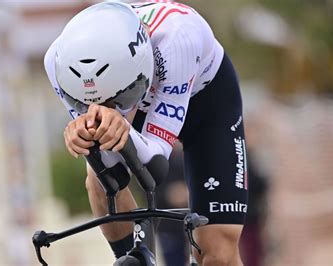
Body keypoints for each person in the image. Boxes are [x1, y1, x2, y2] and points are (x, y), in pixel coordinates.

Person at [44, 1, 248, 265]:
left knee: (217, 250)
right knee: (99, 178)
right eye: (89, 102)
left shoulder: (177, 37)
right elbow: (113, 173)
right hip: (138, 106)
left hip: (205, 101)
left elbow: (154, 168)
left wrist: (123, 126)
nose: (106, 107)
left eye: (117, 98)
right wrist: (86, 137)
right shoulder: (56, 62)